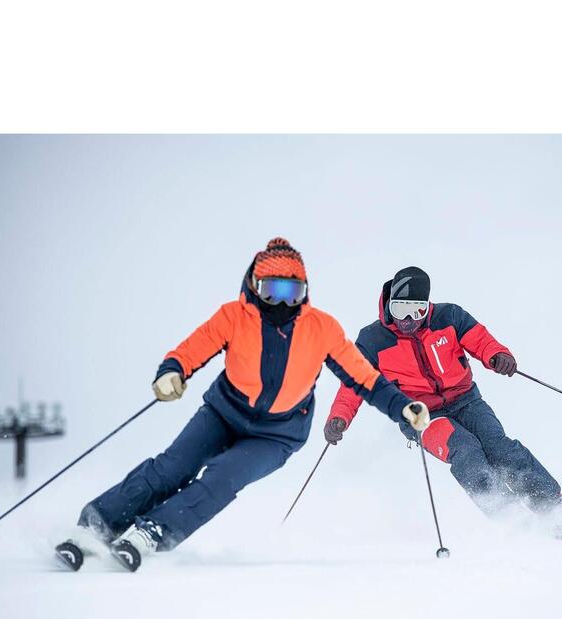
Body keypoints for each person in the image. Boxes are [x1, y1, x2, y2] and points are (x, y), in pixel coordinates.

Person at [73, 240, 429, 570]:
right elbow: (194, 348)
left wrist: (402, 407)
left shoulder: (321, 328)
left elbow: (365, 378)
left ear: (304, 292)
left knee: (223, 477)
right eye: (271, 291)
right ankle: (97, 524)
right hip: (223, 414)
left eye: (293, 292)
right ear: (254, 286)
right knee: (172, 467)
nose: (282, 303)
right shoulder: (234, 316)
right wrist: (172, 371)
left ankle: (152, 532)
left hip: (278, 434)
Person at [324, 265, 562, 520]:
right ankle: (511, 517)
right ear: (389, 305)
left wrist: (498, 355)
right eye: (400, 310)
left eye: (416, 311)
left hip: (466, 400)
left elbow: (481, 340)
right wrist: (338, 418)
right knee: (466, 451)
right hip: (420, 414)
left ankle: (553, 510)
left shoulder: (449, 317)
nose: (407, 320)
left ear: (427, 306)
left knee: (499, 448)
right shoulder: (374, 339)